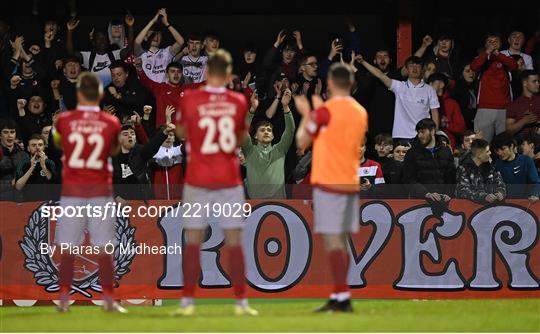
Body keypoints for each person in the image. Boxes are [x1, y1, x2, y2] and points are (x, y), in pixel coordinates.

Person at [173, 49, 257, 316]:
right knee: (234, 240)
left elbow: (181, 132)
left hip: (198, 178)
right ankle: (241, 302)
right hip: (229, 179)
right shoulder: (238, 101)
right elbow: (242, 136)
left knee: (193, 240)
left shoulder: (190, 99)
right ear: (230, 75)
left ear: (206, 73)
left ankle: (187, 302)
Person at [295, 63, 368, 312]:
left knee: (333, 241)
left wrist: (307, 115)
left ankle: (342, 297)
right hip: (349, 181)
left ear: (330, 84)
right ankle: (340, 295)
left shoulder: (325, 111)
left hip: (328, 182)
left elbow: (302, 142)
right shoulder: (361, 112)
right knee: (341, 240)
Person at [52, 72, 126, 313]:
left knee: (68, 247)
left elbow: (58, 144)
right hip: (99, 191)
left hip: (72, 191)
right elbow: (114, 150)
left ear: (79, 93)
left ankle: (63, 299)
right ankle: (108, 299)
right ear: (101, 94)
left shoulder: (64, 120)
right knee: (105, 247)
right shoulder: (111, 122)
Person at [357, 55, 439, 141]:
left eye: (418, 66)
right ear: (406, 69)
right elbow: (380, 75)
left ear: (422, 70)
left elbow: (435, 113)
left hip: (423, 136)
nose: (414, 68)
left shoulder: (430, 90)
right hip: (401, 135)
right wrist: (363, 62)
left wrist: (435, 134)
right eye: (411, 66)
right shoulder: (399, 86)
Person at [242, 87, 295, 199]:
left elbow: (290, 130)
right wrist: (252, 109)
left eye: (269, 130)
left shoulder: (280, 150)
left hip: (280, 207)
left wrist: (285, 107)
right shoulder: (250, 151)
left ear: (273, 136)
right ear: (255, 135)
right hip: (256, 209)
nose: (266, 132)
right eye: (262, 130)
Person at [470, 34, 517, 143]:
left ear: (500, 44)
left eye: (496, 41)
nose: (493, 42)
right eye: (489, 41)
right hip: (485, 108)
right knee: (483, 143)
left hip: (505, 108)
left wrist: (497, 54)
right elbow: (474, 66)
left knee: (504, 145)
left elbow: (514, 65)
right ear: (485, 45)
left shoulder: (505, 58)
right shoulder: (481, 58)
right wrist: (487, 52)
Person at [66, 16, 134, 87]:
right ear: (94, 42)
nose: (102, 40)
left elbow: (129, 48)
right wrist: (69, 31)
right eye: (99, 38)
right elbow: (71, 53)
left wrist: (130, 26)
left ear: (108, 41)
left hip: (112, 93)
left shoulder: (115, 55)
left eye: (104, 38)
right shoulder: (88, 56)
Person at [401, 118, 456, 204]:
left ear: (432, 131)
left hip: (445, 202)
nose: (419, 135)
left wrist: (448, 194)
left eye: (422, 132)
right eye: (418, 132)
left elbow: (451, 178)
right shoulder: (411, 153)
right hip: (420, 202)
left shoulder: (446, 151)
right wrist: (426, 194)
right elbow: (409, 180)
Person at [134, 8, 185, 83]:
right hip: (147, 91)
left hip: (163, 91)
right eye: (152, 34)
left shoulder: (167, 52)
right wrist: (152, 21)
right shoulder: (142, 54)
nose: (156, 37)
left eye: (158, 34)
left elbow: (181, 41)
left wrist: (166, 23)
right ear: (145, 37)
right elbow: (137, 42)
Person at [492, 132, 540, 202]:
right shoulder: (496, 164)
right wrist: (497, 194)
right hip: (504, 205)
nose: (499, 153)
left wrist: (535, 194)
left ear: (511, 146)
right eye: (497, 150)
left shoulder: (526, 161)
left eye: (503, 149)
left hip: (524, 205)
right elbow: (494, 186)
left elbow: (535, 182)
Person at [456, 138, 506, 204]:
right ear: (479, 155)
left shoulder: (491, 168)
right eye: (487, 151)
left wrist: (500, 193)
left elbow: (500, 184)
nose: (490, 153)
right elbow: (463, 191)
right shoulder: (463, 169)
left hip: (493, 209)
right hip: (472, 211)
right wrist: (483, 197)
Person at [427, 73, 466, 149]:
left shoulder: (452, 103)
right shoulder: (425, 101)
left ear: (442, 84)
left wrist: (447, 125)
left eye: (432, 83)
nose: (429, 85)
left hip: (447, 144)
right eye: (429, 83)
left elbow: (461, 127)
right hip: (427, 142)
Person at [14, 134, 57, 201]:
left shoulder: (50, 163)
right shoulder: (23, 164)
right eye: (33, 145)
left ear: (44, 147)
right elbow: (18, 187)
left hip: (46, 202)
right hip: (28, 203)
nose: (37, 147)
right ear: (28, 148)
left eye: (40, 145)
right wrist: (31, 168)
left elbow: (54, 184)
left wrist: (44, 167)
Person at [505, 70, 540, 138]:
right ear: (525, 83)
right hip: (522, 142)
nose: (538, 84)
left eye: (538, 81)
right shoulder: (514, 105)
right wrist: (523, 121)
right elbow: (509, 130)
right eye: (534, 81)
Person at [0, 118, 28, 201]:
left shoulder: (24, 156)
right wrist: (10, 184)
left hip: (21, 201)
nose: (10, 135)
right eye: (6, 132)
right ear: (0, 135)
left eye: (12, 132)